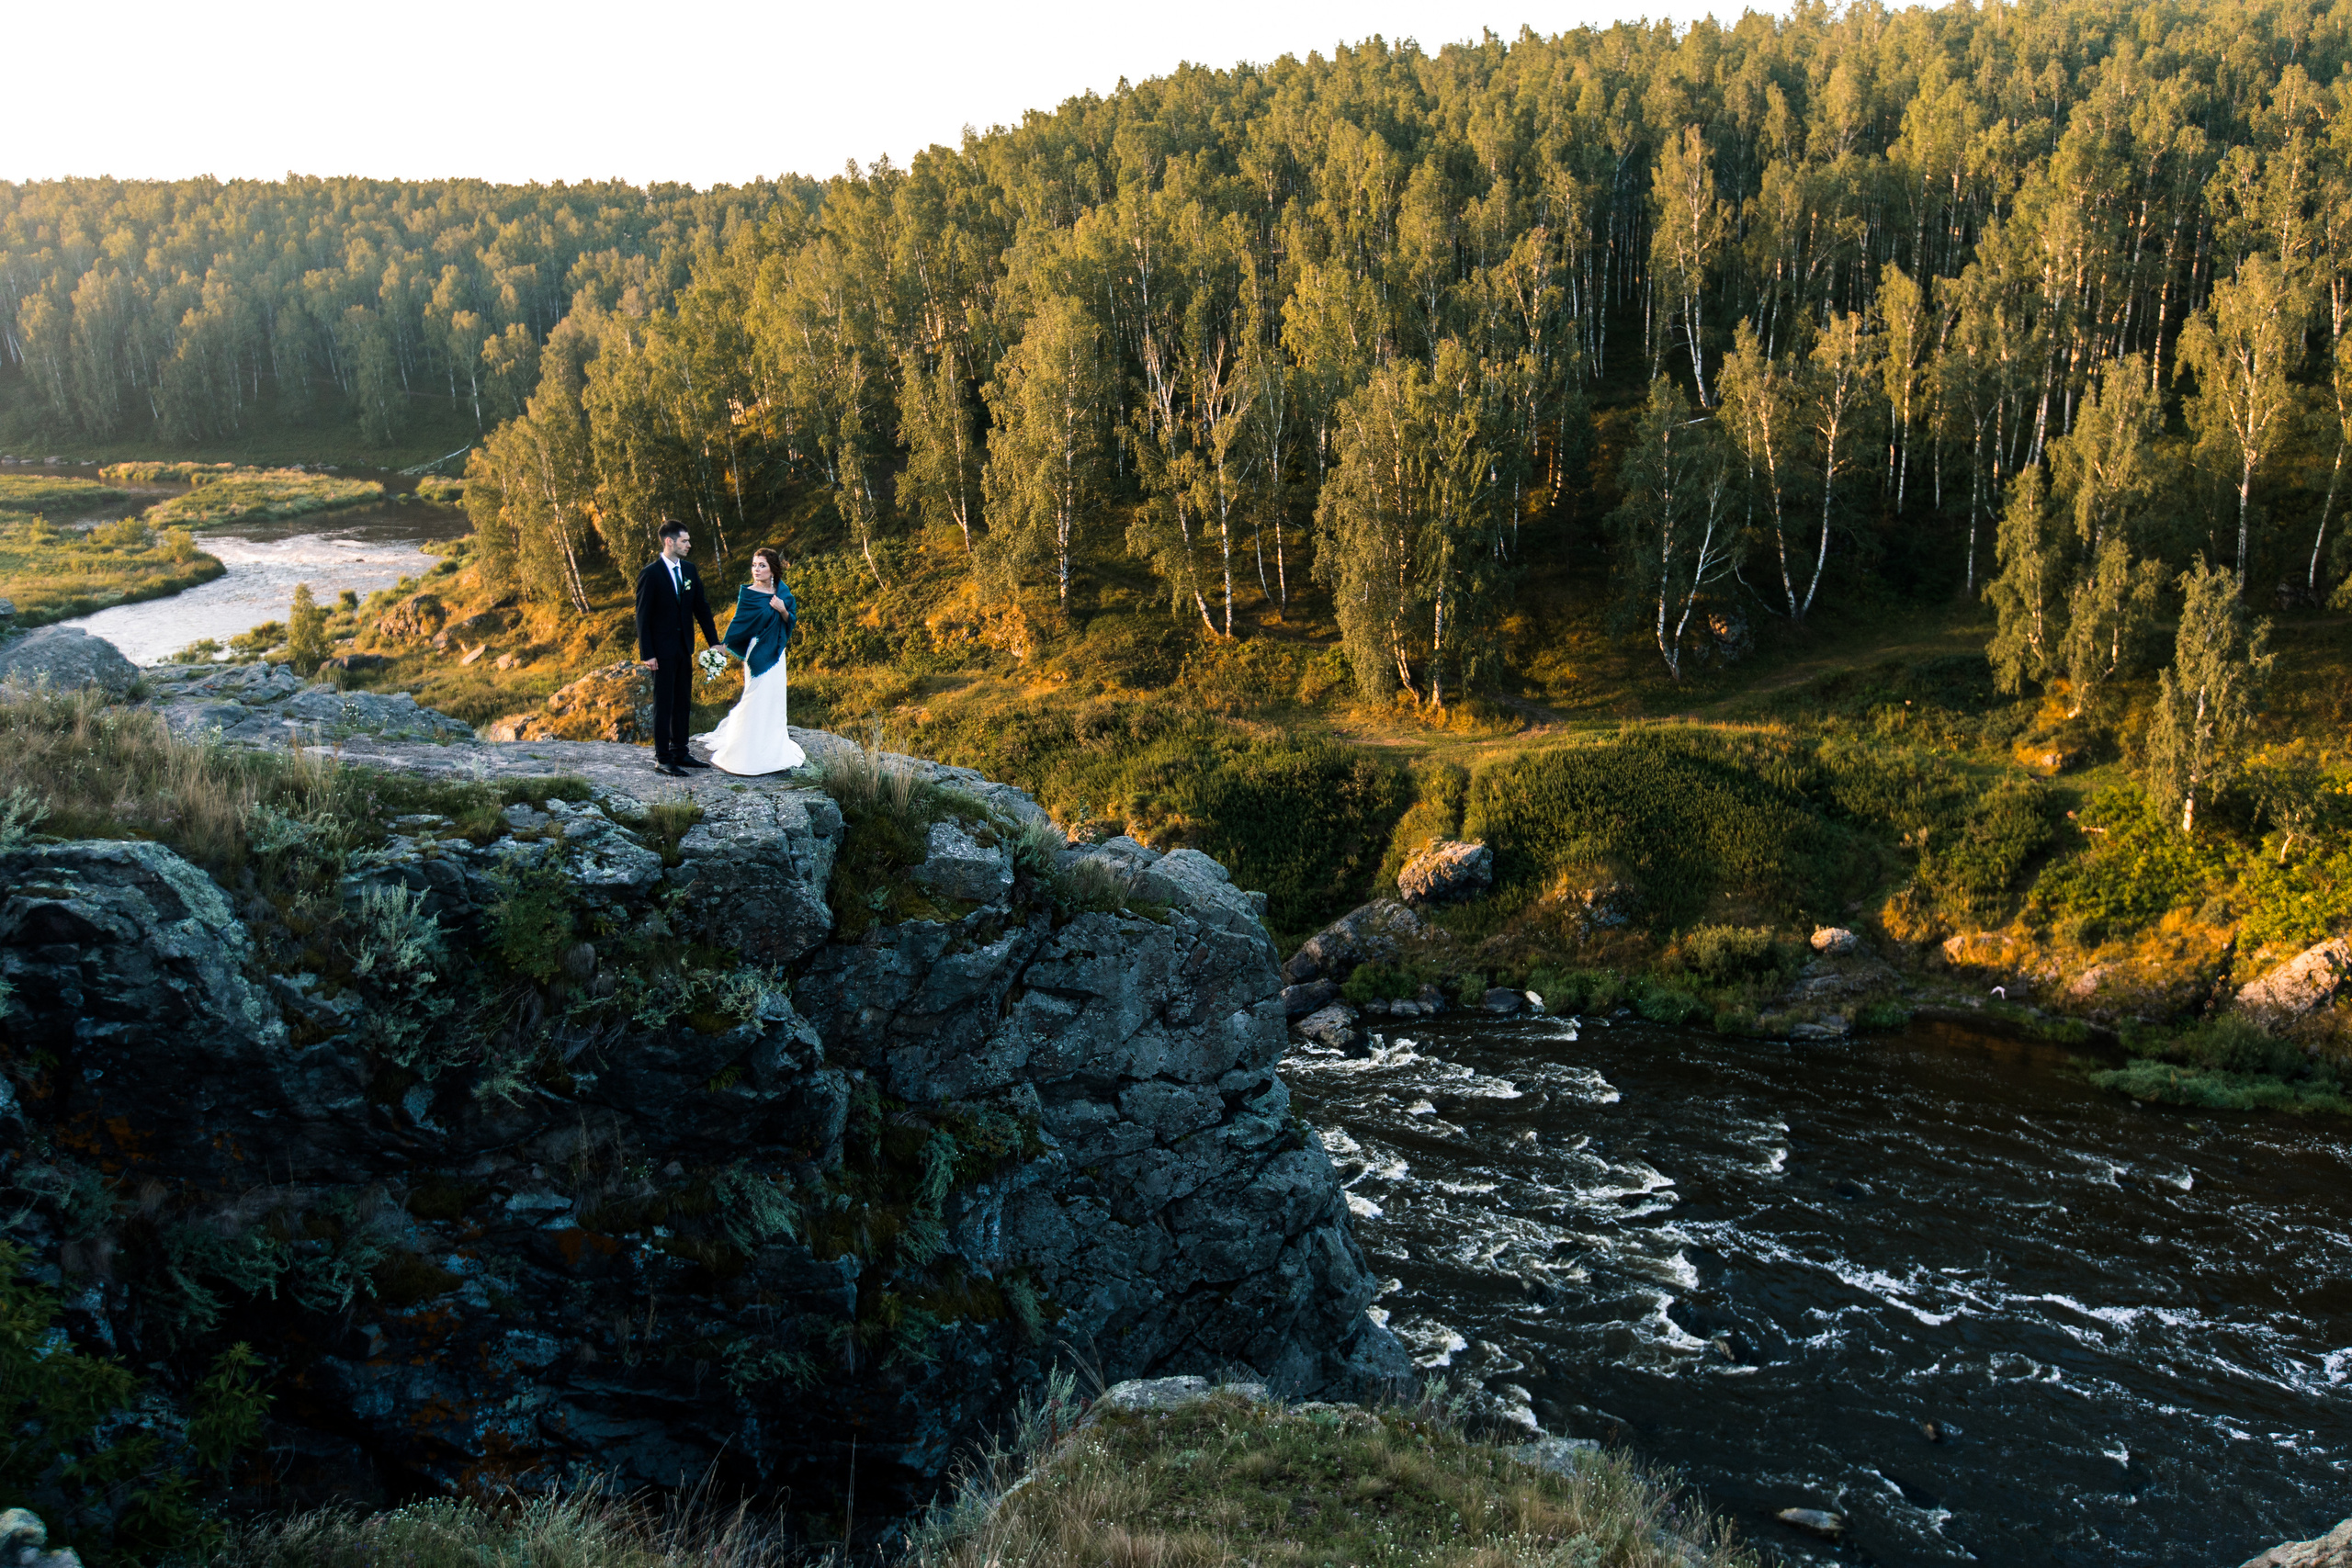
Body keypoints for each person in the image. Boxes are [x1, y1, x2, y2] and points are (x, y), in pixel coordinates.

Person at [706, 547, 808, 776]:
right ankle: (746, 750)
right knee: (754, 695)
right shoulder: (749, 593)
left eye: (761, 565)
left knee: (774, 698)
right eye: (754, 565)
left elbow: (790, 619)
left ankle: (771, 748)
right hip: (757, 652)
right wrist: (723, 645)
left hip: (776, 652)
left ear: (772, 569)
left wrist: (782, 610)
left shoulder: (782, 591)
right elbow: (739, 622)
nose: (756, 570)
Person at [634, 520, 719, 777]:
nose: (689, 545)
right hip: (660, 652)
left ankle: (681, 750)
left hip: (684, 648)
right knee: (664, 703)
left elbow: (701, 608)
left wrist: (714, 641)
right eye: (685, 541)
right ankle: (663, 758)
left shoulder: (690, 571)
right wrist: (647, 653)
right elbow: (642, 616)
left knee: (683, 700)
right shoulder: (651, 573)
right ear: (669, 542)